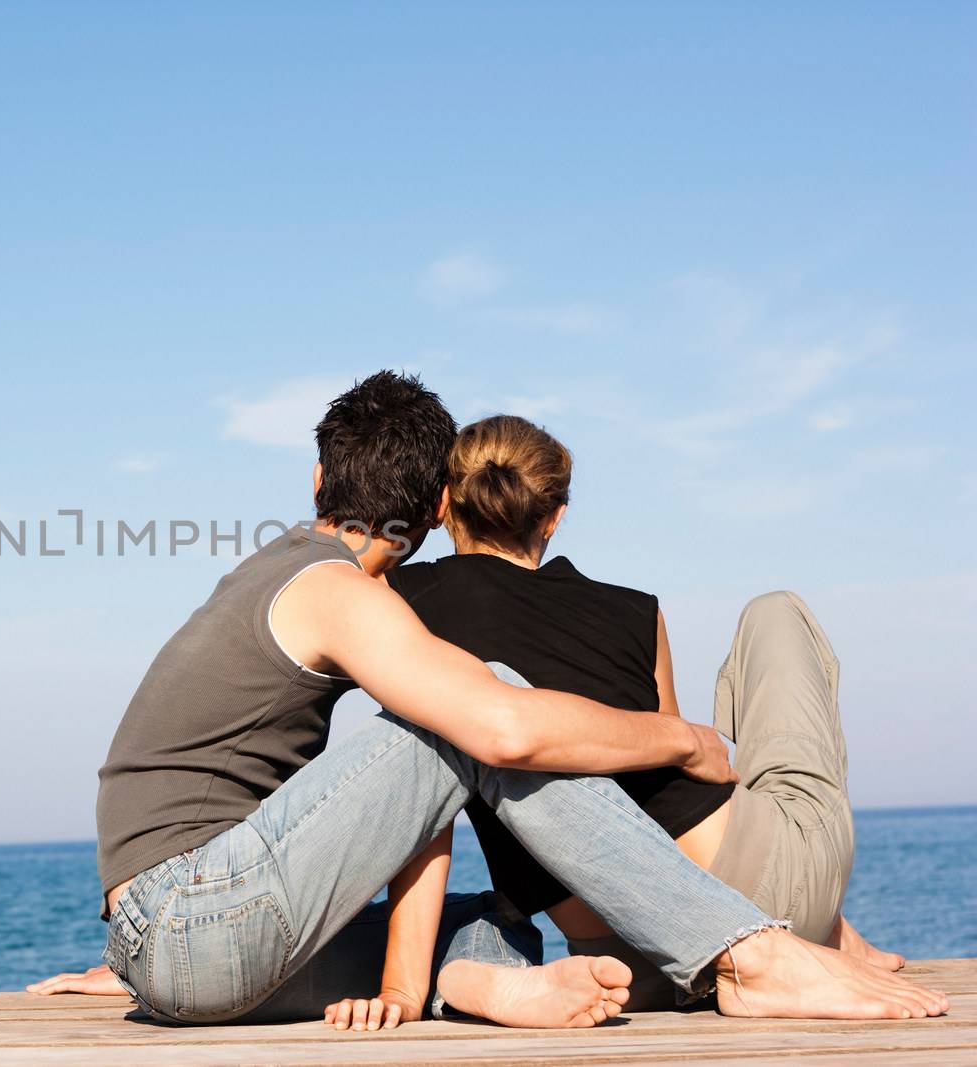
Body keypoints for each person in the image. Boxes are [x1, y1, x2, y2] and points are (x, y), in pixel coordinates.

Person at [28, 372, 946, 1028]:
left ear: (317, 480)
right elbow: (498, 727)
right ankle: (745, 954)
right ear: (435, 506)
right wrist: (679, 737)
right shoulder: (345, 596)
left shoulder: (273, 572)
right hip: (198, 915)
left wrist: (153, 963)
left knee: (490, 914)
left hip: (180, 939)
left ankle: (484, 986)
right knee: (484, 705)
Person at [322, 414, 904, 1030]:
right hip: (768, 893)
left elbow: (421, 805)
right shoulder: (636, 611)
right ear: (554, 515)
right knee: (776, 612)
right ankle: (830, 927)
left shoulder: (405, 603)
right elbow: (677, 775)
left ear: (445, 504)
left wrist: (401, 985)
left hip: (629, 963)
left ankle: (831, 933)